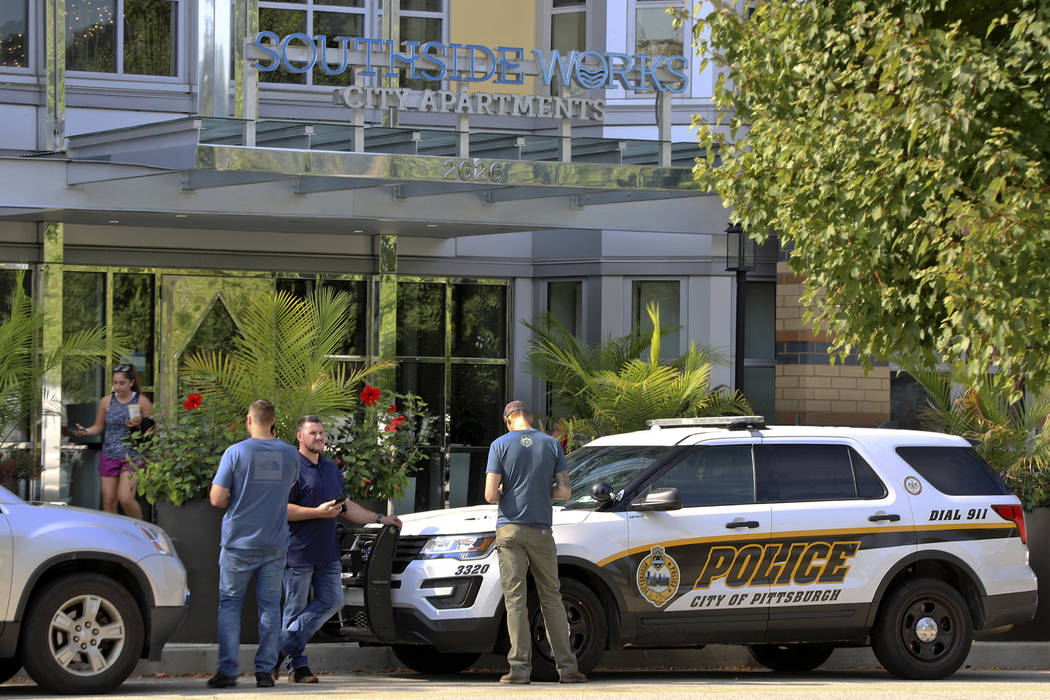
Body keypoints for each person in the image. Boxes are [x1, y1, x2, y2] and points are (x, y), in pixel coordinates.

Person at [275, 415, 402, 684]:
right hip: (297, 553)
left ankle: (278, 647)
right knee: (294, 611)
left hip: (327, 553)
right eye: (313, 433)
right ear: (300, 437)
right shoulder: (291, 468)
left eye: (321, 433)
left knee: (334, 601)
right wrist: (316, 513)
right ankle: (297, 667)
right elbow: (280, 510)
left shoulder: (330, 469)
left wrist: (380, 518)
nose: (319, 437)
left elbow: (347, 507)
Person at [483, 400, 586, 685]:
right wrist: (541, 489)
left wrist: (507, 490)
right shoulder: (552, 445)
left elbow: (490, 494)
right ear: (530, 419)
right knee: (551, 597)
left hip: (510, 530)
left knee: (515, 599)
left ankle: (518, 670)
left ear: (508, 420)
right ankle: (568, 669)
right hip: (541, 531)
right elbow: (564, 492)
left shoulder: (499, 445)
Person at [207, 399, 300, 689]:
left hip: (238, 543)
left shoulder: (235, 453)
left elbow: (216, 498)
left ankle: (228, 670)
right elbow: (291, 488)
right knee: (270, 607)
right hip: (275, 542)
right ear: (273, 421)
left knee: (230, 605)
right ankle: (264, 672)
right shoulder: (291, 454)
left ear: (249, 419)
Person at [72, 363, 152, 519]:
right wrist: (86, 431)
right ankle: (116, 537)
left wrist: (140, 424)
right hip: (109, 454)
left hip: (133, 456)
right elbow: (98, 426)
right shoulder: (106, 401)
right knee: (108, 500)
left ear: (131, 382)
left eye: (122, 383)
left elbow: (153, 428)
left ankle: (140, 532)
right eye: (115, 383)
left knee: (126, 498)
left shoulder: (142, 401)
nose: (117, 386)